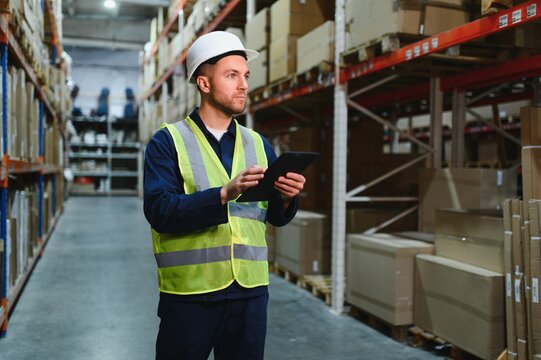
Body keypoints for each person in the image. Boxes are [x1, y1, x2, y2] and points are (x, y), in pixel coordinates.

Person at [143, 31, 306, 360]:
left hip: (249, 294)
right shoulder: (168, 142)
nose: (243, 84)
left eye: (245, 76)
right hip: (190, 294)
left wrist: (287, 199)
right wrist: (223, 193)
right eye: (231, 75)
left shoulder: (259, 145)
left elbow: (272, 215)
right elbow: (160, 211)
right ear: (203, 83)